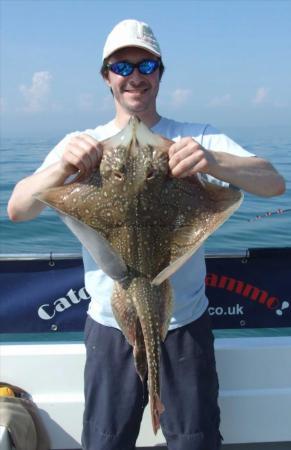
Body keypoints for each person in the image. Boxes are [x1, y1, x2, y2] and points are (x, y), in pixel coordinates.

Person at [8, 19, 285, 450]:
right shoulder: (83, 143)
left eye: (146, 64)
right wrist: (64, 167)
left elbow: (272, 183)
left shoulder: (197, 137)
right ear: (106, 77)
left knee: (194, 440)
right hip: (108, 326)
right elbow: (18, 210)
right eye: (122, 67)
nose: (134, 75)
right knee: (104, 441)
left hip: (185, 323)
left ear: (159, 72)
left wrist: (210, 160)